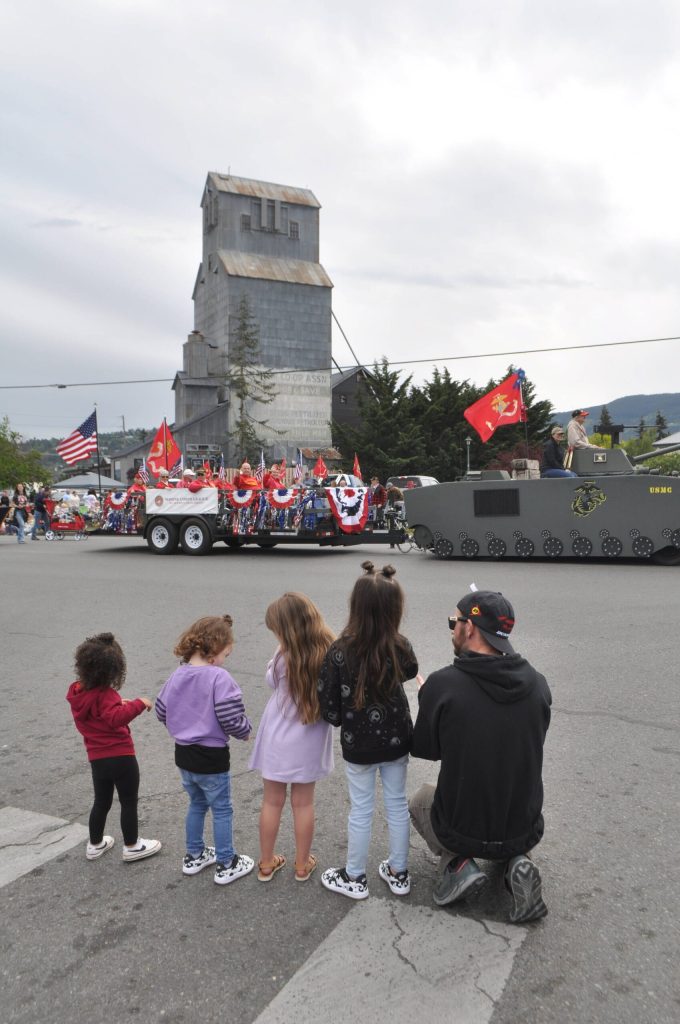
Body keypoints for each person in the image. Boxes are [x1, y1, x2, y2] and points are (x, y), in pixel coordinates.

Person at [409, 590, 551, 924]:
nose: (451, 629)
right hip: (521, 824)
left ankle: (457, 865)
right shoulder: (538, 684)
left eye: (453, 622)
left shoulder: (443, 685)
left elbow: (427, 750)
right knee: (512, 799)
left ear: (469, 627)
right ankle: (518, 862)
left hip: (462, 826)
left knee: (419, 800)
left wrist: (427, 699)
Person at [318, 561, 420, 900]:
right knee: (396, 803)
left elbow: (329, 706)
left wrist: (341, 718)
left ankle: (355, 876)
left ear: (355, 606)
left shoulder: (339, 651)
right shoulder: (400, 645)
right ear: (395, 608)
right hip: (396, 741)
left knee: (360, 809)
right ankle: (398, 871)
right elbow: (410, 671)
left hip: (357, 744)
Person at [155, 615, 254, 886]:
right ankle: (226, 862)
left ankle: (194, 854)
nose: (225, 660)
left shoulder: (178, 673)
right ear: (212, 652)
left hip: (183, 753)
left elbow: (161, 710)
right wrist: (245, 731)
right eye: (225, 654)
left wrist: (181, 725)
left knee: (196, 803)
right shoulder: (219, 678)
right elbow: (229, 715)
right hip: (211, 756)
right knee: (221, 809)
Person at [249, 593, 335, 882]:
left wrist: (279, 649)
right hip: (310, 735)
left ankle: (265, 863)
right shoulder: (326, 650)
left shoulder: (282, 656)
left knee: (272, 801)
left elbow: (271, 681)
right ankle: (301, 864)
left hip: (278, 733)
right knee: (303, 803)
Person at [66, 633, 161, 863]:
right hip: (121, 756)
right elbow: (114, 719)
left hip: (97, 758)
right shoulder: (106, 693)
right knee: (128, 801)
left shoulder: (78, 692)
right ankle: (132, 845)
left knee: (102, 801)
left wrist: (118, 704)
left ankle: (95, 844)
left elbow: (100, 713)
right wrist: (139, 703)